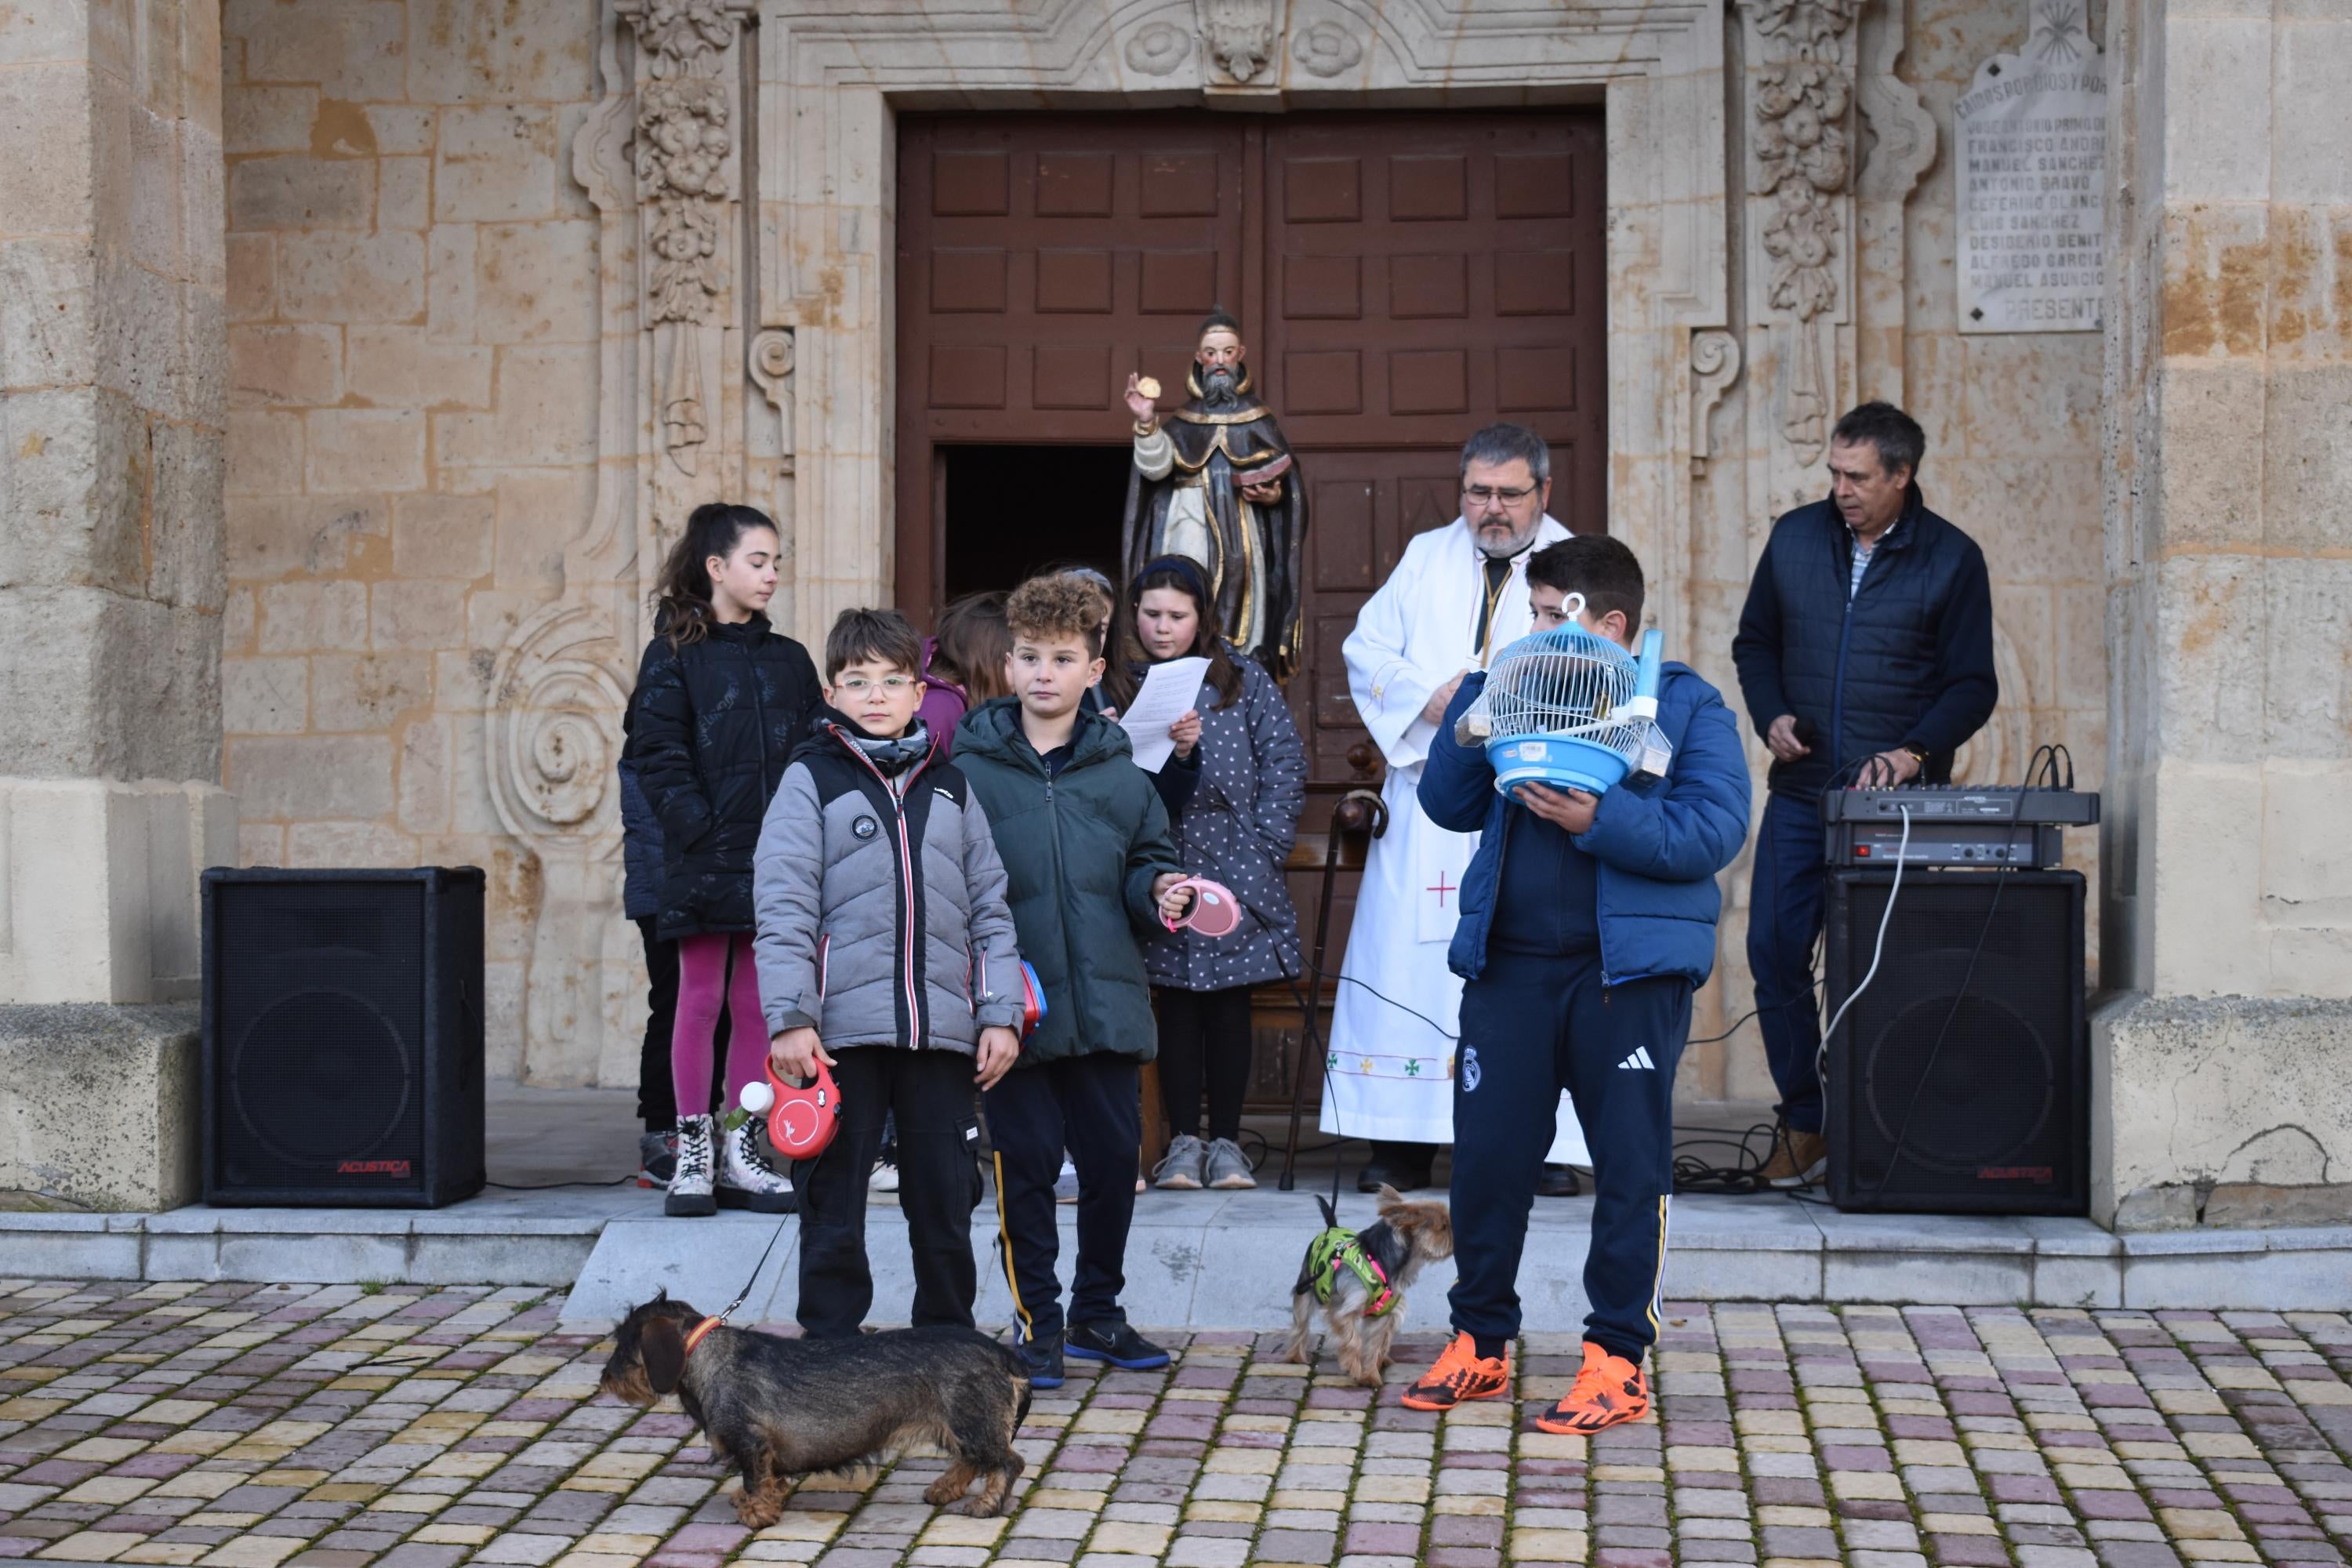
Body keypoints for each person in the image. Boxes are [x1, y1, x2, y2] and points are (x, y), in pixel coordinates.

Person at [1401, 535, 1749, 1428]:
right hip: (1509, 967)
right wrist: (1478, 708)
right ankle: (1480, 1343)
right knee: (1486, 1161)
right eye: (1531, 613)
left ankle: (1616, 1359)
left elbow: (1713, 829)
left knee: (1628, 1167)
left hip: (1624, 976)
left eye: (1550, 613)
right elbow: (1445, 804)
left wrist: (1605, 817)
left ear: (1611, 623)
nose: (1535, 628)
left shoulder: (1682, 701)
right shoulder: (1507, 683)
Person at [1731, 402, 1996, 1188]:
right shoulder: (1793, 538)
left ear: (1902, 474)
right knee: (1773, 951)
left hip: (1895, 809)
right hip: (1801, 791)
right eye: (1834, 473)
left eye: (1857, 476)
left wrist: (1915, 752)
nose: (1840, 489)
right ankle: (1807, 1119)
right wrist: (1770, 712)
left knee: (1885, 969)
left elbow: (1972, 684)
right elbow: (1755, 642)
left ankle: (1881, 1126)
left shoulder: (1953, 558)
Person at [1323, 423, 1589, 1196]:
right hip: (1428, 801)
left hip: (1527, 797)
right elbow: (1368, 653)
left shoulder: (1576, 566)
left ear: (1544, 492)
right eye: (1478, 492)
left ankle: (1536, 1142)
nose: (1492, 508)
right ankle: (1402, 1144)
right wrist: (1426, 695)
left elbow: (1590, 667)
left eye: (1509, 493)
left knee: (1525, 968)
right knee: (1409, 968)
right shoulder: (1423, 557)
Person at [754, 608, 1026, 1339]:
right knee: (833, 1205)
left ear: (920, 691)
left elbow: (990, 910)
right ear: (832, 693)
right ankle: (829, 1360)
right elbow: (783, 908)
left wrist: (999, 1012)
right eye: (857, 681)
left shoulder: (953, 789)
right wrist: (791, 1019)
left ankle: (945, 1351)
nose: (876, 695)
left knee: (944, 1203)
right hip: (840, 1037)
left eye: (892, 680)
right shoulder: (810, 782)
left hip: (940, 1035)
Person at [953, 574, 1196, 1387]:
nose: (1044, 673)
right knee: (1022, 1167)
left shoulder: (1124, 777)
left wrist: (1162, 892)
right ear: (1009, 664)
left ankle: (1098, 1311)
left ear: (1096, 668)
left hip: (1107, 1002)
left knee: (1109, 1164)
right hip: (1014, 1010)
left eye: (1062, 658)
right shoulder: (967, 773)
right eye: (1029, 657)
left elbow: (1147, 866)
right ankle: (1039, 1325)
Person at [631, 503, 824, 1218]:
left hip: (777, 863)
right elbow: (655, 752)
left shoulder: (791, 660)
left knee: (757, 1004)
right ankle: (693, 1152)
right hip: (707, 856)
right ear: (716, 568)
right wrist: (699, 829)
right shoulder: (673, 655)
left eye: (777, 562)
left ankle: (743, 1150)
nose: (772, 574)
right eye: (758, 561)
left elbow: (814, 755)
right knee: (701, 996)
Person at [1105, 557, 1307, 1193]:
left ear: (1203, 618)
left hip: (1235, 863)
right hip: (1157, 864)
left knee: (1227, 1002)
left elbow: (1283, 762)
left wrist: (1265, 845)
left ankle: (1228, 1143)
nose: (1163, 629)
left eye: (1177, 616)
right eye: (1152, 614)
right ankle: (1182, 1143)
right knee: (1176, 1004)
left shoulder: (1241, 681)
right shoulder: (1112, 682)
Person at [1123, 310, 1308, 675]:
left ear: (1241, 355)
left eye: (1227, 352)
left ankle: (1235, 672)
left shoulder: (1259, 418)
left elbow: (1287, 491)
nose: (1219, 361)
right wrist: (1146, 422)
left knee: (1246, 607)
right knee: (1183, 593)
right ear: (1198, 358)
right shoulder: (1183, 421)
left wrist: (1273, 498)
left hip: (1244, 531)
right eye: (1211, 353)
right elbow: (1155, 468)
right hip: (1187, 520)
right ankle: (1178, 666)